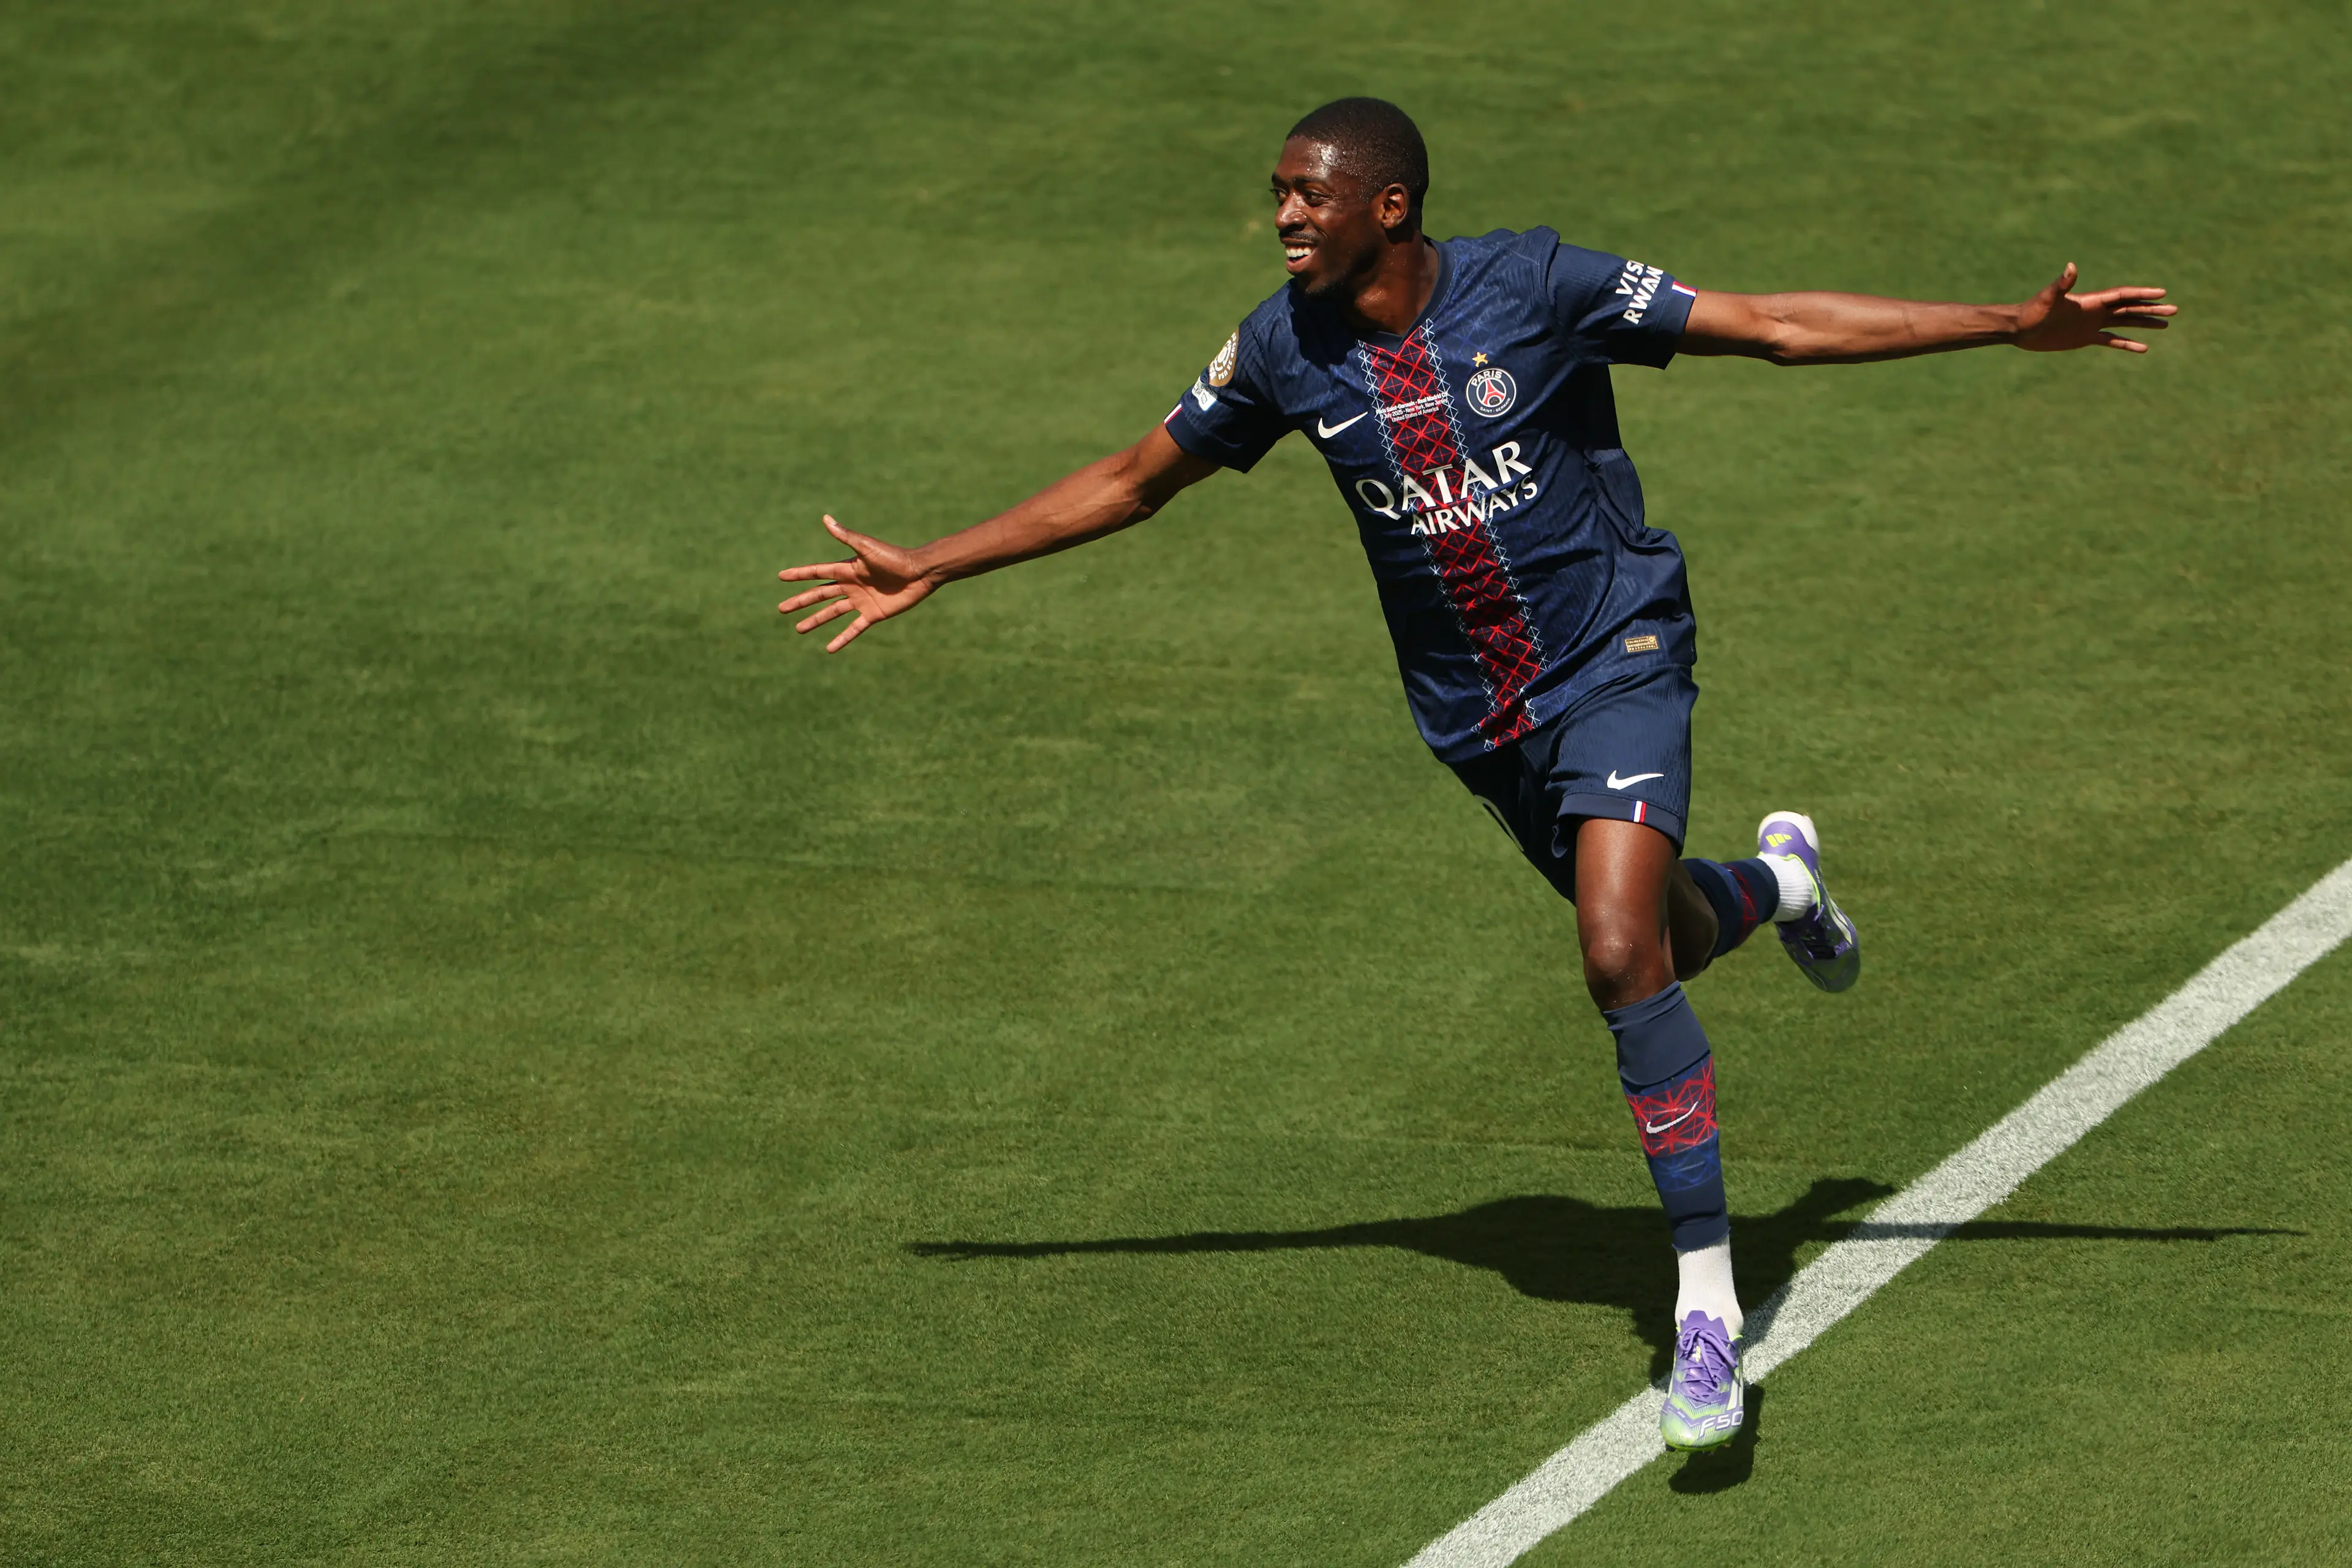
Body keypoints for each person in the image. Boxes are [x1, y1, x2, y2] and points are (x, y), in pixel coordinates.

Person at [775, 97, 2174, 1451]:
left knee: (1616, 948)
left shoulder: (1540, 287)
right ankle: (1781, 880)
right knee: (1667, 935)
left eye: (1303, 194)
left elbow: (1778, 328)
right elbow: (1137, 479)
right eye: (1275, 193)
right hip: (1480, 722)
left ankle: (1704, 1305)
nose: (1279, 217)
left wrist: (2008, 321)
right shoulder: (1283, 350)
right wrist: (936, 562)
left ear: (1390, 204)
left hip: (1618, 652)